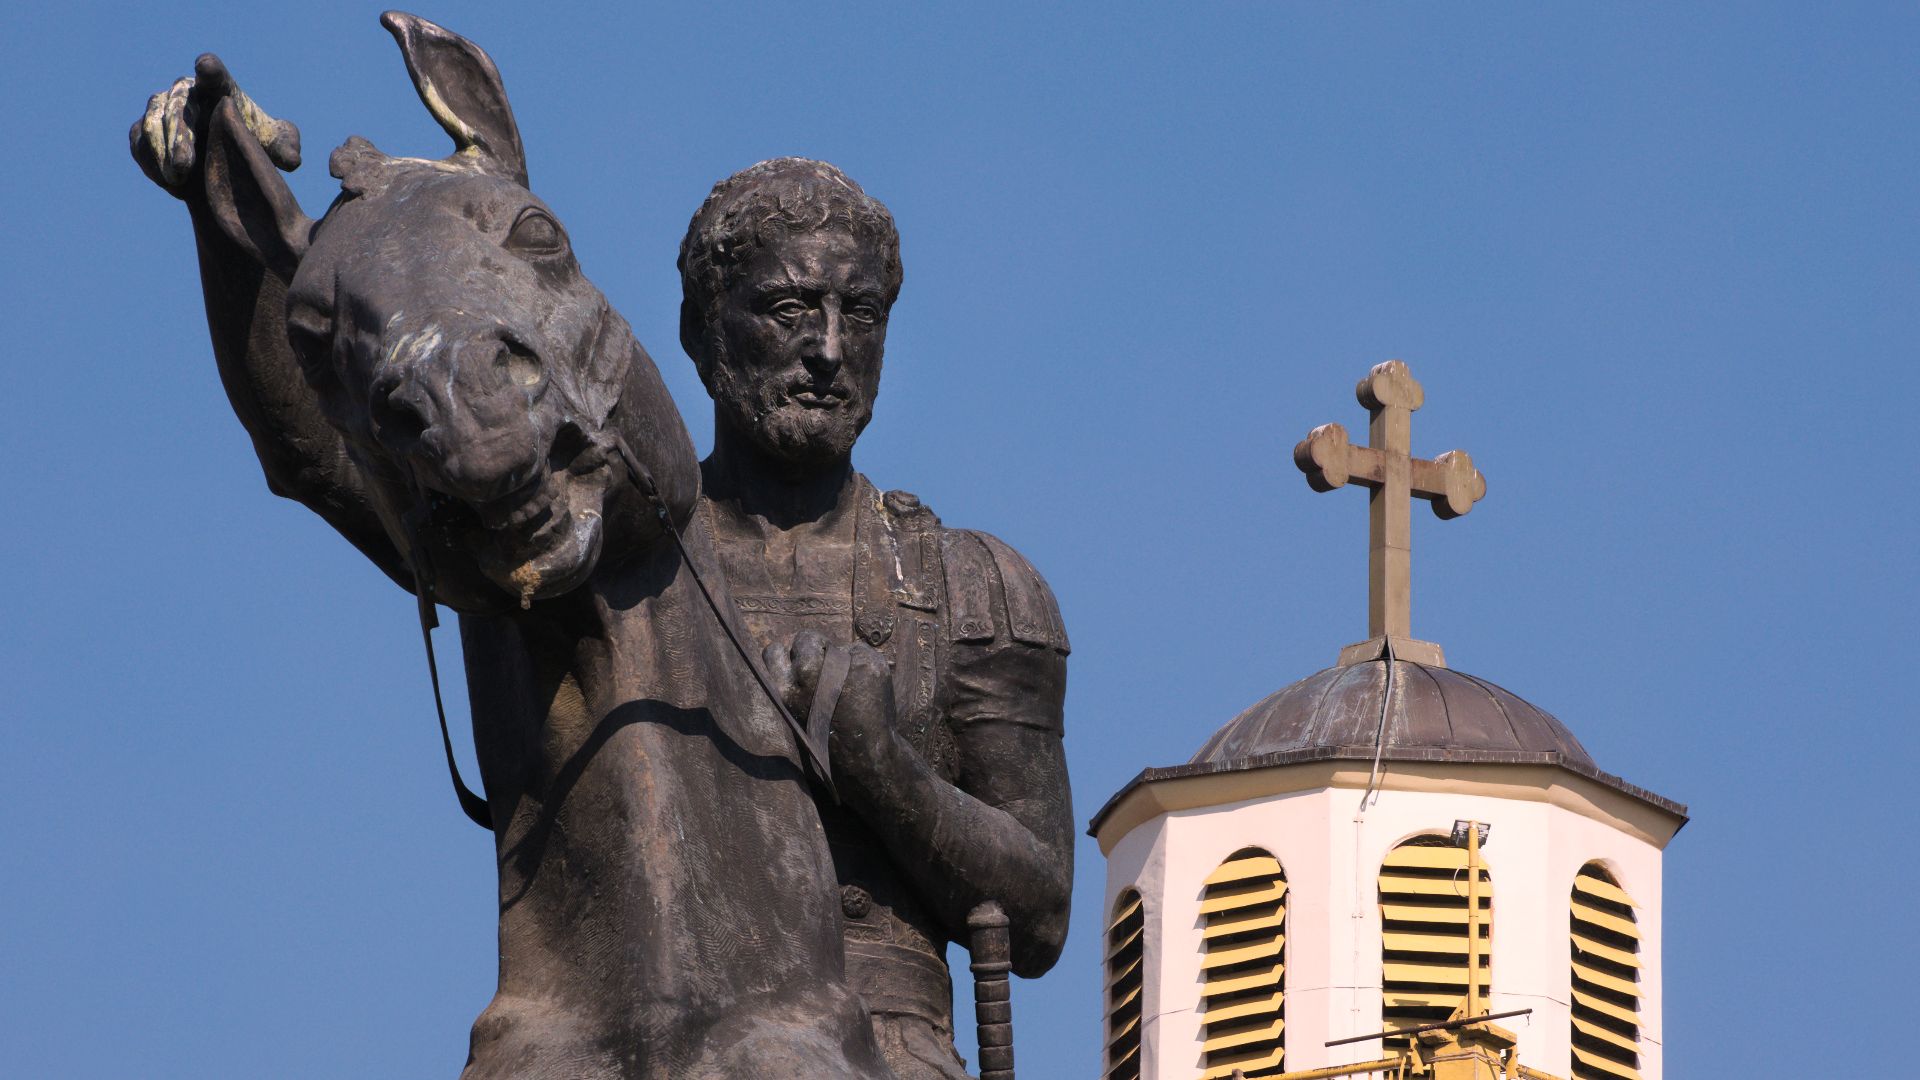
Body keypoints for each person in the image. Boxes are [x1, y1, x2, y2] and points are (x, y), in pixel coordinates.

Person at [678, 158, 1074, 1079]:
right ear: (704, 334)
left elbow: (1043, 914)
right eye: (788, 310)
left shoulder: (971, 587)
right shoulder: (629, 566)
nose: (828, 348)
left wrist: (884, 772)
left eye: (859, 315)